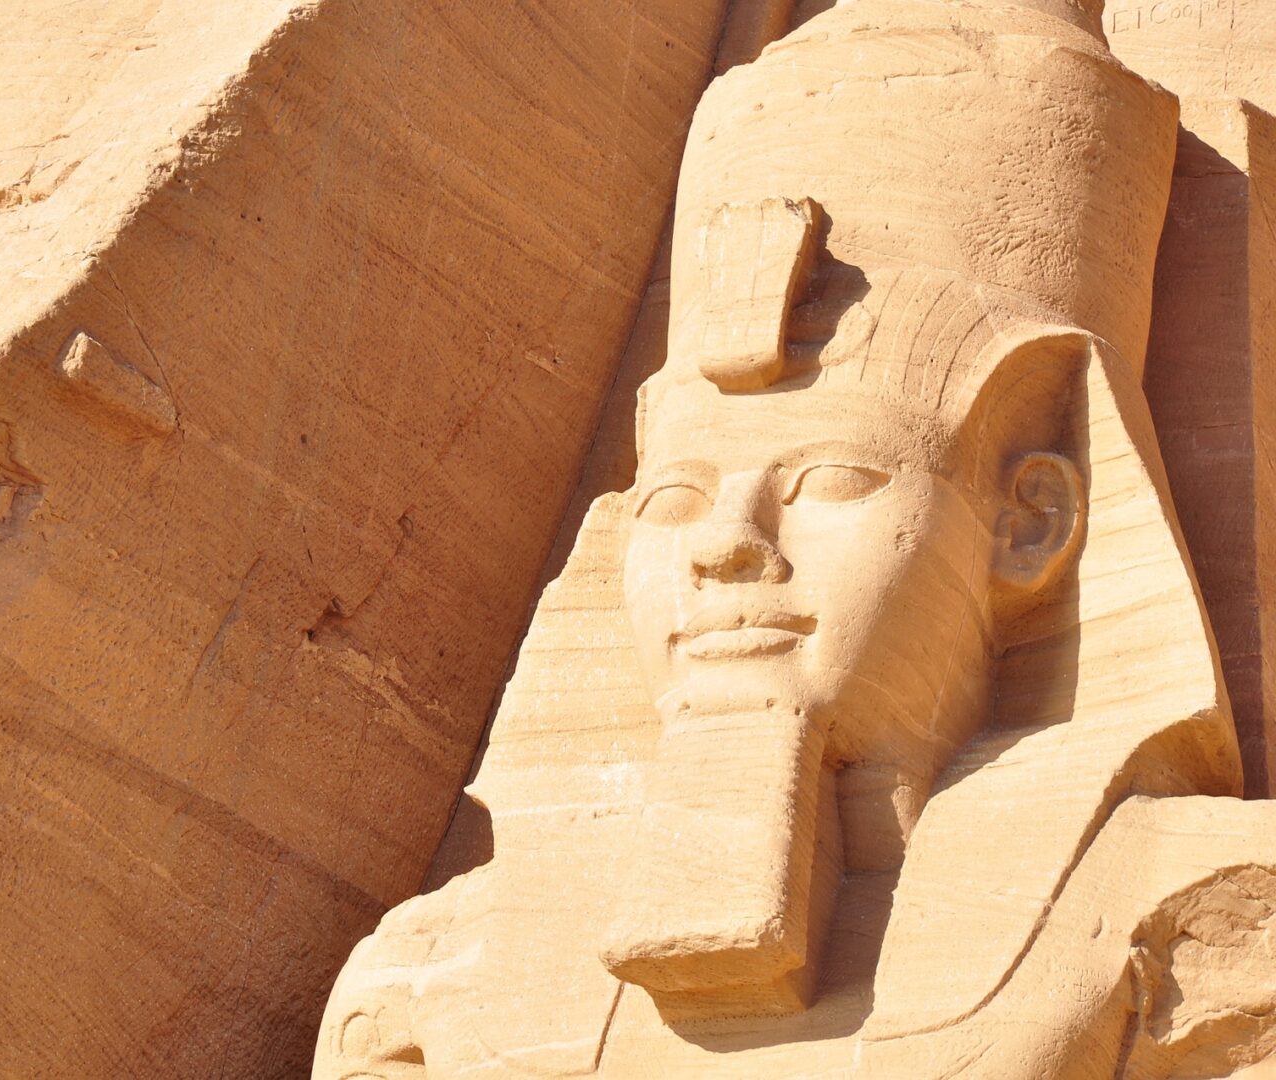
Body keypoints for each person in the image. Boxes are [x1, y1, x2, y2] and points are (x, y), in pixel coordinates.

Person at [314, 1, 1276, 1075]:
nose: (726, 545)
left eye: (829, 479)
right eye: (674, 498)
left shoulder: (1206, 928)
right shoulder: (422, 984)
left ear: (1032, 523)